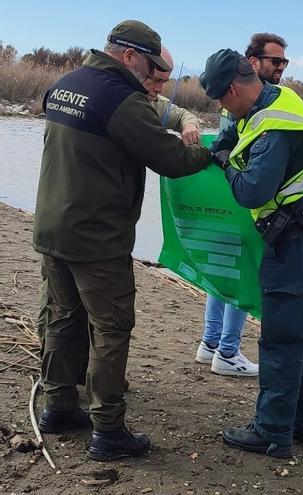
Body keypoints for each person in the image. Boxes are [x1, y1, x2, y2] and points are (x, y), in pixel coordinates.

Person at [34, 20, 213, 462]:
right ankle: (108, 431)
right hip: (97, 238)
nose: (154, 80)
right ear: (130, 56)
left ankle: (58, 407)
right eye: (153, 69)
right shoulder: (121, 98)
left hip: (52, 227)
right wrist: (213, 151)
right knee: (111, 329)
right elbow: (170, 159)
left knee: (62, 319)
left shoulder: (66, 84)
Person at [199, 48, 303, 458]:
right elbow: (231, 133)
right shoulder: (277, 101)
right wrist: (223, 142)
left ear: (232, 88)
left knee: (280, 339)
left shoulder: (275, 126)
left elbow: (252, 191)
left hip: (293, 240)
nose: (222, 108)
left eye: (221, 100)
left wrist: (225, 163)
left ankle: (272, 432)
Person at [196, 33, 289, 377]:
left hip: (233, 195)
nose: (279, 68)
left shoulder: (259, 101)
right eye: (273, 61)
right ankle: (228, 348)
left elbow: (223, 142)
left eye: (283, 61)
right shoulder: (253, 104)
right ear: (252, 63)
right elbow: (229, 143)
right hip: (244, 200)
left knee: (224, 269)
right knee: (241, 270)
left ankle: (211, 342)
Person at [143, 46, 201, 145]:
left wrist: (189, 125)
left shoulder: (157, 104)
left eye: (164, 81)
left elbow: (182, 115)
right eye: (155, 79)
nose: (159, 89)